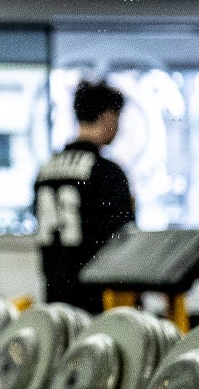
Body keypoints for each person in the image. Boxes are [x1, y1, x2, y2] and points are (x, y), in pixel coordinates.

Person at [35, 80, 137, 309]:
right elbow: (127, 240)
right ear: (108, 117)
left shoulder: (45, 171)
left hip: (55, 298)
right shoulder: (108, 173)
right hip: (97, 301)